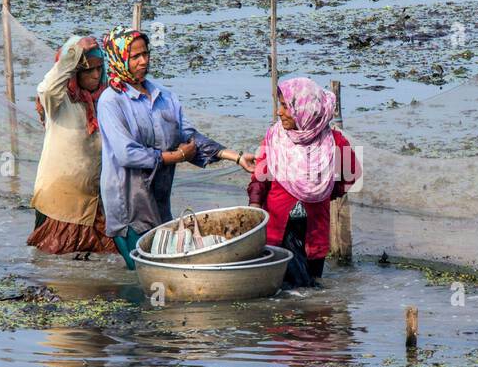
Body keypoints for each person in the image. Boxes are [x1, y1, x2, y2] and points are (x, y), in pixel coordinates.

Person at [95, 26, 255, 269]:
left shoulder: (164, 97)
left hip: (158, 196)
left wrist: (235, 156)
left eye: (145, 54)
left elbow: (188, 136)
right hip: (128, 200)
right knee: (145, 269)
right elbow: (127, 154)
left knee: (164, 263)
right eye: (135, 57)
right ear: (119, 59)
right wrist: (177, 156)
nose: (143, 61)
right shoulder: (111, 101)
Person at [247, 78, 360, 286]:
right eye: (280, 105)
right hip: (276, 233)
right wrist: (254, 209)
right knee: (282, 296)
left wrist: (326, 191)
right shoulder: (274, 138)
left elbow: (352, 174)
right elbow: (260, 178)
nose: (279, 112)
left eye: (285, 106)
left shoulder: (334, 141)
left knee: (312, 298)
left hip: (314, 235)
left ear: (304, 109)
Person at [27, 35, 118, 259]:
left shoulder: (105, 100)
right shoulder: (59, 102)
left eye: (99, 69)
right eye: (88, 70)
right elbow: (48, 89)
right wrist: (72, 55)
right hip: (60, 199)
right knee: (54, 260)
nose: (96, 75)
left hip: (94, 198)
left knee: (101, 264)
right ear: (75, 73)